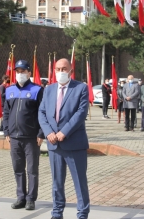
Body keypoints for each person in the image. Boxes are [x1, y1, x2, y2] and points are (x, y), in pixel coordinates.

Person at [38, 58, 90, 219]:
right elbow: (42, 112)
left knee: (79, 182)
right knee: (57, 183)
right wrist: (48, 132)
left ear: (71, 71)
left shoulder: (81, 88)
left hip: (74, 143)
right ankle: (57, 212)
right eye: (58, 69)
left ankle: (82, 213)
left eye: (64, 69)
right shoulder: (48, 89)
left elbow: (80, 113)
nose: (61, 72)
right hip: (54, 144)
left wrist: (64, 132)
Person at [3, 60, 44, 211]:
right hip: (14, 137)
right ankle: (21, 197)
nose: (20, 74)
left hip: (31, 137)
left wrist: (41, 133)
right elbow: (6, 112)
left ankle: (31, 199)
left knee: (32, 169)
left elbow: (42, 113)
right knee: (18, 168)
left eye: (23, 71)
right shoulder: (9, 90)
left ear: (29, 73)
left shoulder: (37, 90)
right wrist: (6, 130)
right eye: (18, 71)